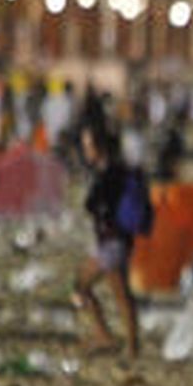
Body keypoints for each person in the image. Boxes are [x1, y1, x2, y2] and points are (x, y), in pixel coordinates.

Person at [73, 124, 141, 358]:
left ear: (99, 147)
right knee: (83, 284)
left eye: (88, 146)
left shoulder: (111, 172)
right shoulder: (109, 170)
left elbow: (99, 205)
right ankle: (106, 336)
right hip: (110, 241)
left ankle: (129, 346)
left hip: (114, 241)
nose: (85, 151)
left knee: (120, 294)